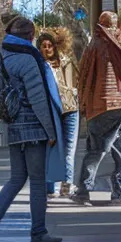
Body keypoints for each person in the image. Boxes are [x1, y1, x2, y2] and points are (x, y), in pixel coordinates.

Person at [0, 15, 65, 242]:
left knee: (16, 178)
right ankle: (38, 233)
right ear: (30, 36)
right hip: (34, 127)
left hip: (13, 126)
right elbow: (38, 99)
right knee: (38, 181)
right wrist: (51, 130)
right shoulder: (29, 58)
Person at [70, 11, 121, 206]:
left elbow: (83, 77)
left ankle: (83, 191)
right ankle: (119, 194)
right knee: (119, 151)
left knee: (96, 150)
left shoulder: (93, 46)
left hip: (99, 106)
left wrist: (83, 104)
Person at [37, 28, 79, 199]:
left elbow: (76, 80)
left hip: (70, 109)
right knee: (51, 148)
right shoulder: (39, 66)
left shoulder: (65, 61)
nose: (47, 49)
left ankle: (66, 185)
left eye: (50, 45)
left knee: (69, 149)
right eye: (44, 46)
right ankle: (50, 187)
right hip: (51, 112)